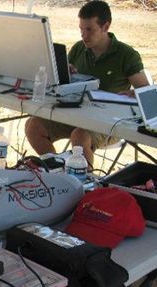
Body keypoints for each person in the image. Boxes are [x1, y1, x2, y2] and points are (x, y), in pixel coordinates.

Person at [25, 0, 149, 167]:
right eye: (81, 29)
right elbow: (61, 84)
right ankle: (56, 169)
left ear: (105, 27)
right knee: (34, 126)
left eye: (89, 29)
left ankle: (85, 184)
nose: (84, 35)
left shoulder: (126, 55)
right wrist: (64, 73)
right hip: (75, 113)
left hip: (108, 122)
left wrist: (135, 93)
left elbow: (147, 93)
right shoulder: (79, 49)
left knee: (80, 136)